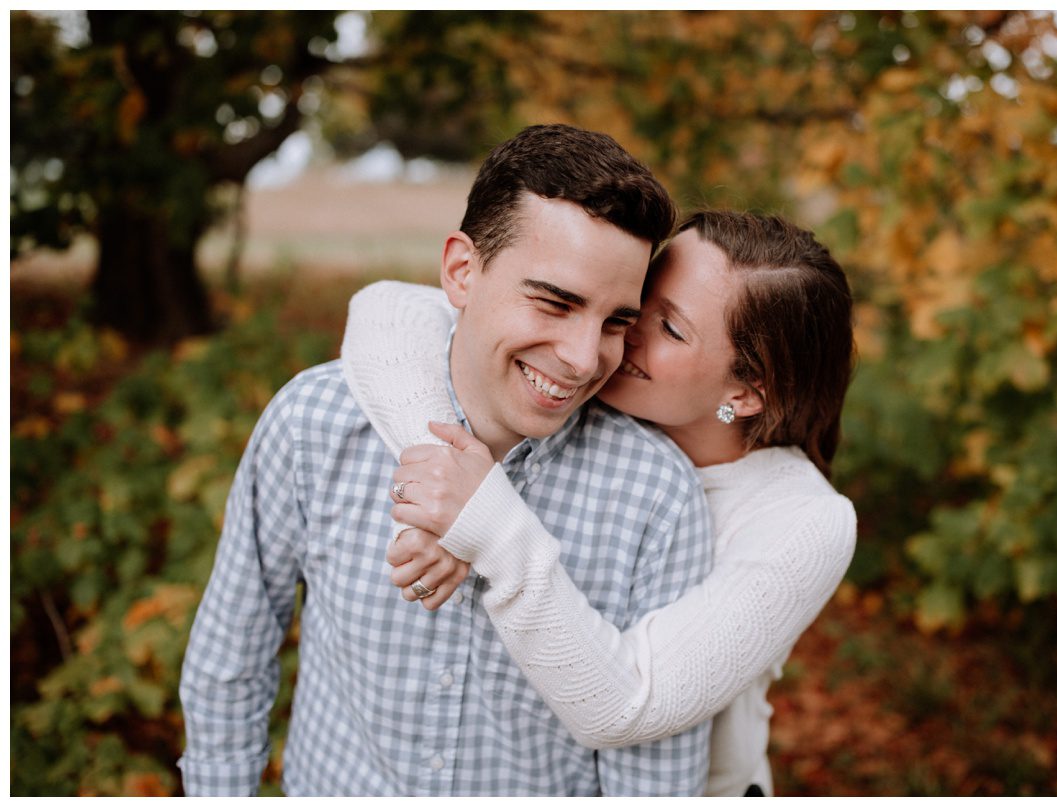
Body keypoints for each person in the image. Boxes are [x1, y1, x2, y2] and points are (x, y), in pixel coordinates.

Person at [178, 124, 716, 796]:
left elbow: (653, 769)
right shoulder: (315, 423)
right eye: (556, 301)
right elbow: (232, 653)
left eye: (615, 321)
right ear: (462, 270)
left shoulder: (653, 495)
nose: (583, 357)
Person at [342, 210, 857, 796]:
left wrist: (483, 519)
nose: (616, 332)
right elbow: (388, 308)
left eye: (671, 328)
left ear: (742, 393)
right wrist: (441, 481)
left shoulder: (803, 522)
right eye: (636, 301)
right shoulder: (577, 379)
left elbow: (628, 706)